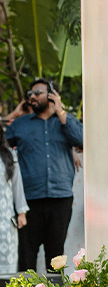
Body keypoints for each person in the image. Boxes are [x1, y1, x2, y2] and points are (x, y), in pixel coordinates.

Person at [6, 78, 83, 272]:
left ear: (51, 96)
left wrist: (61, 111)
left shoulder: (65, 120)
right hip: (28, 201)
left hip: (60, 199)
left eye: (37, 93)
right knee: (26, 255)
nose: (32, 97)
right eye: (29, 94)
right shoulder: (21, 124)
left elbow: (80, 140)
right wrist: (13, 115)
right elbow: (2, 144)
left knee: (55, 257)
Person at [0, 129, 28, 274]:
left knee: (7, 272)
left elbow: (17, 185)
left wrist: (21, 212)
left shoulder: (9, 155)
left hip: (5, 220)